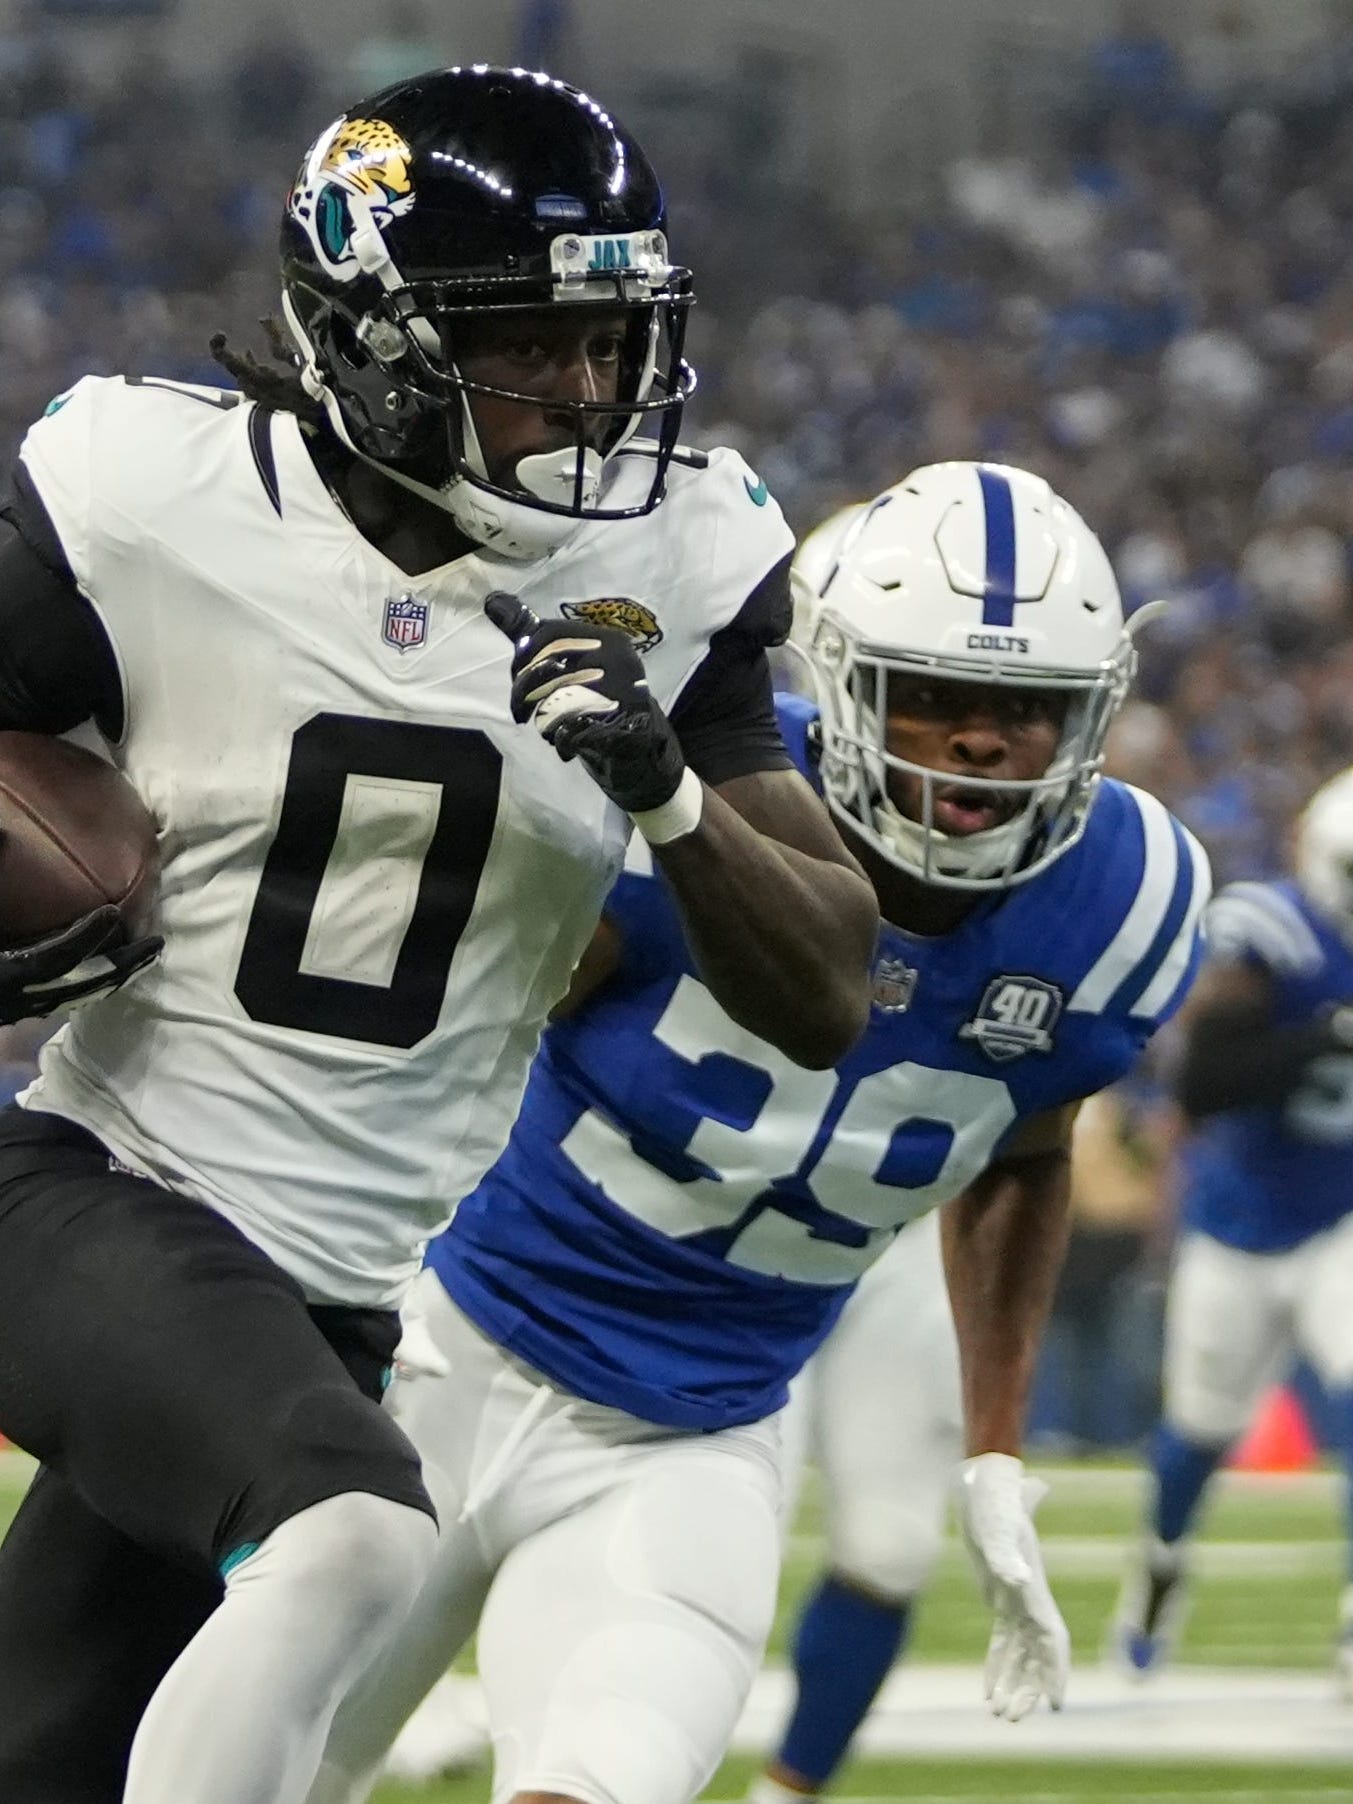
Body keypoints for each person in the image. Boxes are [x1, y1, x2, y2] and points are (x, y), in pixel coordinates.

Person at [0, 66, 879, 1804]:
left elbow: (827, 984)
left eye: (608, 340)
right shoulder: (150, 496)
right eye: (531, 341)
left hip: (330, 1297)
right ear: (371, 338)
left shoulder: (678, 558)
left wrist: (669, 795)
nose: (586, 386)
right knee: (350, 1537)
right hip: (96, 1197)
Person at [310, 460, 1210, 1804]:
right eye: (940, 700)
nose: (977, 742)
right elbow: (447, 1034)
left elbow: (1022, 1148)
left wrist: (997, 1444)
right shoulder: (688, 785)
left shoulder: (1130, 905)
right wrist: (339, 1281)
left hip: (692, 1435)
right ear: (844, 687)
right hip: (449, 1349)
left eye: (1026, 712)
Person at [1112, 766, 1353, 1691]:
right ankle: (1159, 1571)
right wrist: (1320, 1037)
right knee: (1198, 1430)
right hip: (1239, 1221)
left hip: (1341, 1215)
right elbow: (1200, 1083)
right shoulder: (1271, 932)